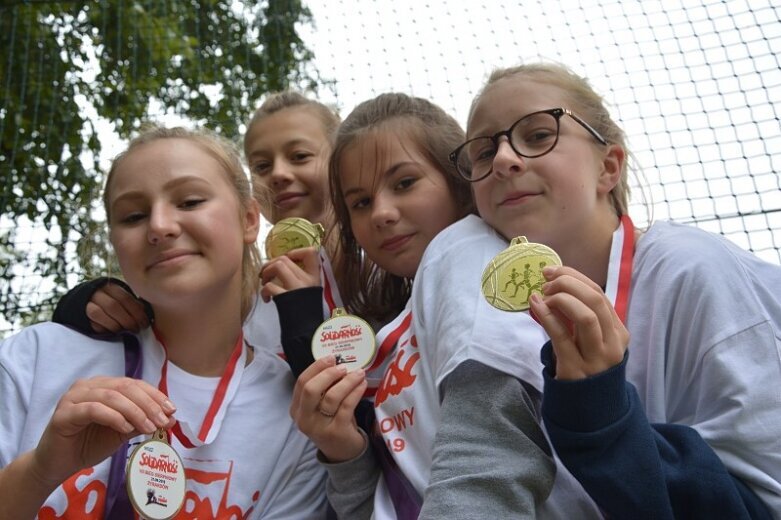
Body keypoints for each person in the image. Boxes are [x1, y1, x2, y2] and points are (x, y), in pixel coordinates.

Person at [450, 62, 781, 518]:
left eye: (539, 134)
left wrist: (603, 419)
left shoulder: (692, 271)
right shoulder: (499, 313)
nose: (504, 159)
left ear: (609, 167)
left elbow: (764, 503)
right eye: (483, 153)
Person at [288, 92, 601, 519]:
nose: (380, 212)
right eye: (360, 202)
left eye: (404, 183)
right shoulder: (409, 314)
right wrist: (346, 454)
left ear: (459, 180)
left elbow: (488, 449)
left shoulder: (463, 251)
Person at [0, 126, 326, 518]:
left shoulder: (295, 413)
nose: (159, 226)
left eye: (189, 201)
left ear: (250, 220)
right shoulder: (34, 358)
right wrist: (39, 472)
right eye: (133, 216)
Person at [52, 92, 345, 376]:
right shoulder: (238, 295)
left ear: (341, 160)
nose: (279, 173)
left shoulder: (382, 274)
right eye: (262, 165)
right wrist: (80, 308)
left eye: (300, 156)